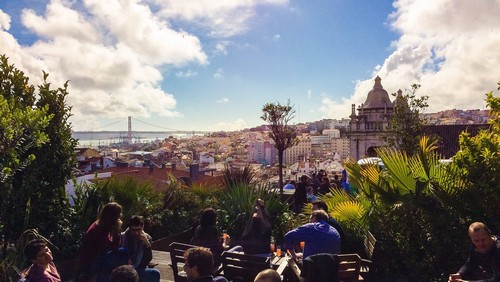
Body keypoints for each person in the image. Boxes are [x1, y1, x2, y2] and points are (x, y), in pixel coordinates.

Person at [78, 202, 127, 281]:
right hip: (91, 264)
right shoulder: (97, 231)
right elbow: (114, 247)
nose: (121, 215)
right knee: (123, 253)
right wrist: (117, 230)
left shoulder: (103, 225)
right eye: (119, 214)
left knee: (124, 252)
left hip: (98, 258)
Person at [120, 215, 160, 282]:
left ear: (142, 227)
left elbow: (148, 259)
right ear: (129, 228)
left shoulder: (147, 238)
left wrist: (146, 244)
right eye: (133, 230)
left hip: (139, 269)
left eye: (138, 230)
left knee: (155, 273)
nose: (136, 233)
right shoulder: (123, 237)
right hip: (123, 270)